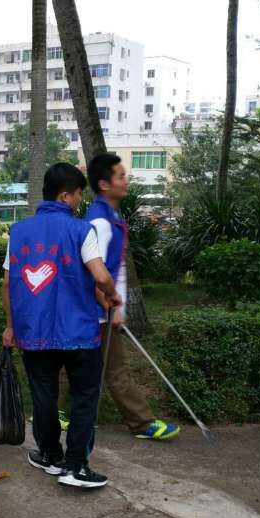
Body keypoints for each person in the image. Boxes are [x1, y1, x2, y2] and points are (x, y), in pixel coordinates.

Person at [2, 162, 121, 489]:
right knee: (84, 398)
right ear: (66, 195)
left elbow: (8, 285)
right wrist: (110, 294)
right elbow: (99, 275)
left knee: (43, 396)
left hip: (34, 333)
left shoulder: (19, 232)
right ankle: (76, 467)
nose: (80, 201)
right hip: (79, 334)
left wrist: (11, 327)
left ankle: (50, 456)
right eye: (79, 194)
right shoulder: (83, 230)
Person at [84, 154, 180, 440]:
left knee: (89, 366)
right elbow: (93, 270)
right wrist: (109, 305)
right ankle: (141, 423)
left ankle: (55, 412)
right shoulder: (99, 223)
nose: (126, 180)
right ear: (104, 184)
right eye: (121, 176)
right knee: (114, 369)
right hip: (95, 311)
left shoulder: (112, 218)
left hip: (105, 309)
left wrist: (119, 304)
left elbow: (118, 266)